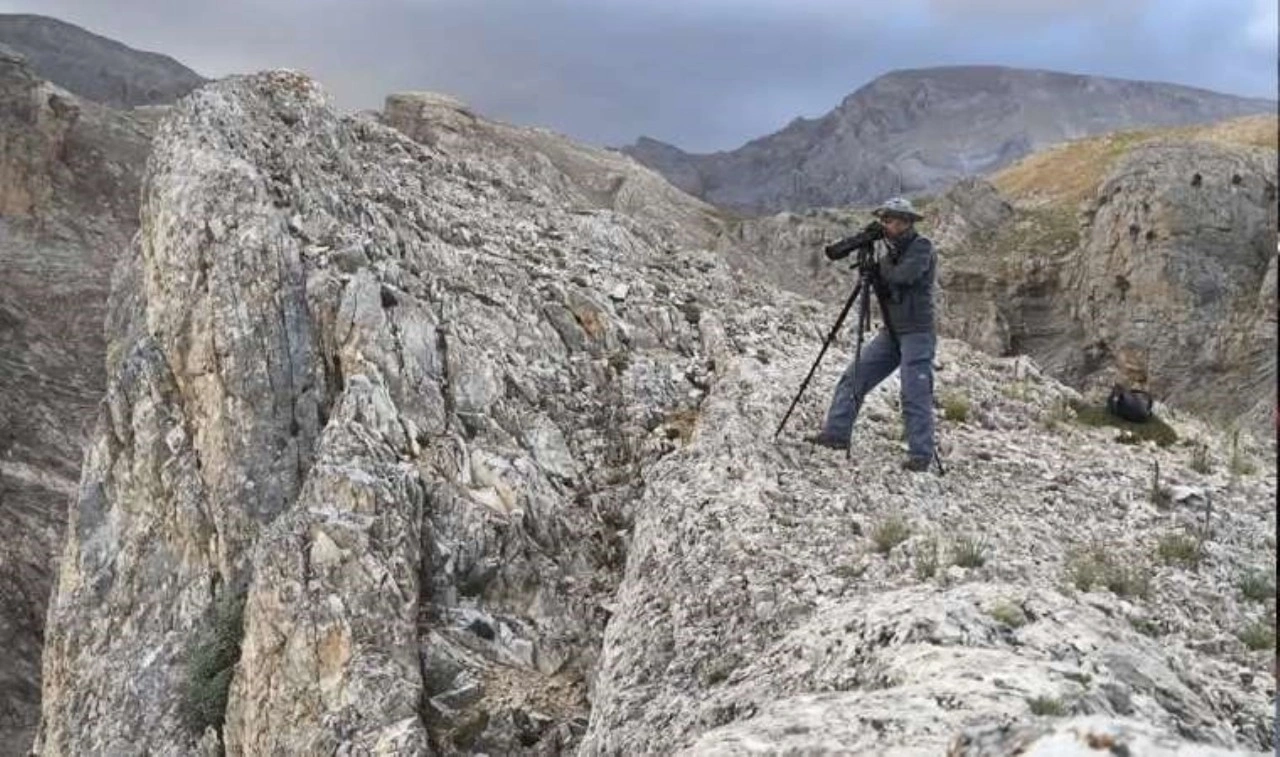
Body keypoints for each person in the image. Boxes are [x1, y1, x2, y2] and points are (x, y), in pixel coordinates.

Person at [805, 196, 939, 472]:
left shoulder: (921, 247)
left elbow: (904, 277)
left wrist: (878, 266)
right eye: (884, 219)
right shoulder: (888, 251)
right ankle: (836, 435)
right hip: (891, 332)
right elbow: (887, 283)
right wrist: (873, 267)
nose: (885, 224)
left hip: (917, 332)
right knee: (853, 377)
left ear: (906, 223)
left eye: (890, 220)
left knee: (914, 391)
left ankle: (921, 455)